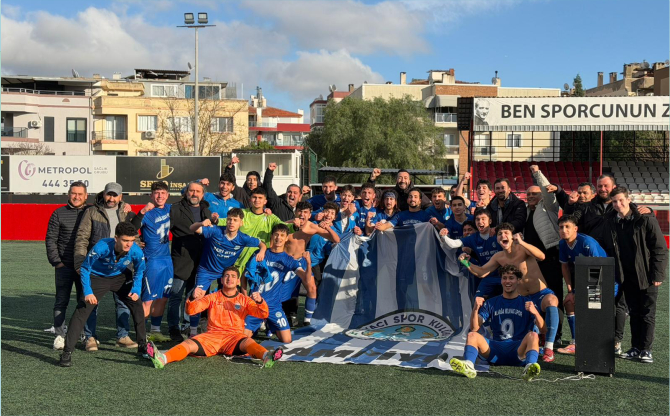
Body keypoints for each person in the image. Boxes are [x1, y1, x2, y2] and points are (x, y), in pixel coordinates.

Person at [146, 266, 283, 369]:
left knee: (248, 342)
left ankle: (267, 356)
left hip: (234, 337)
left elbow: (263, 314)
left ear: (238, 281)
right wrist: (192, 298)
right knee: (188, 344)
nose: (229, 279)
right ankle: (162, 359)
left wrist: (260, 302)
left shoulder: (244, 300)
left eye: (233, 276)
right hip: (212, 337)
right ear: (222, 280)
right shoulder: (212, 297)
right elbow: (191, 310)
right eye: (227, 276)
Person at [460, 223, 561, 363]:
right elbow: (482, 272)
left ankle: (549, 347)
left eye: (506, 233)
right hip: (523, 298)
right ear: (497, 239)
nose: (503, 236)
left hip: (540, 293)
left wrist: (522, 242)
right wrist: (466, 263)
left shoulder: (523, 248)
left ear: (512, 236)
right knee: (531, 331)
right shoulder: (499, 257)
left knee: (552, 300)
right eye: (500, 234)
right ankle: (528, 350)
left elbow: (542, 256)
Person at [594, 187, 667, 364]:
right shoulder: (610, 221)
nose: (618, 204)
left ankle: (646, 350)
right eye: (614, 201)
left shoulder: (645, 218)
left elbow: (660, 248)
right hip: (626, 276)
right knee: (634, 312)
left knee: (647, 313)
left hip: (647, 275)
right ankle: (635, 348)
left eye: (621, 200)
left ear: (628, 199)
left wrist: (658, 274)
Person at [59, 222, 147, 367]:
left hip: (120, 277)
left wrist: (136, 289)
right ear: (116, 238)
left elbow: (139, 270)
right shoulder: (102, 247)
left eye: (132, 240)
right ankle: (67, 352)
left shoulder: (136, 251)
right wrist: (88, 291)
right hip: (97, 277)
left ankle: (143, 346)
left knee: (137, 307)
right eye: (125, 240)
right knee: (82, 310)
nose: (129, 244)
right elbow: (85, 268)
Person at [449, 265, 543, 381]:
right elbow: (474, 328)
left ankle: (530, 367)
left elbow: (543, 330)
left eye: (511, 278)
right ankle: (469, 365)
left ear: (518, 280)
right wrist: (475, 309)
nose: (507, 281)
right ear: (501, 280)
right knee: (472, 335)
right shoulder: (491, 303)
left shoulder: (527, 303)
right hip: (496, 349)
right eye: (504, 278)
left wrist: (535, 313)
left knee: (533, 335)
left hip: (518, 350)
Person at [73, 182, 136, 351]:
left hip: (121, 266)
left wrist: (134, 258)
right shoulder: (92, 212)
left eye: (115, 195)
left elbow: (133, 236)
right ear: (104, 194)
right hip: (97, 266)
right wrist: (80, 262)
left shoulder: (126, 212)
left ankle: (123, 336)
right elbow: (82, 238)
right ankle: (90, 337)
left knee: (123, 302)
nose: (111, 198)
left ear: (120, 197)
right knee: (92, 302)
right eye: (109, 194)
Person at [190, 208, 267, 336]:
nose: (231, 222)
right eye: (229, 219)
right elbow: (193, 228)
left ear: (241, 223)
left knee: (230, 299)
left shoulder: (243, 238)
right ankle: (192, 331)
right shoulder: (216, 231)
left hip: (225, 273)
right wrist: (201, 223)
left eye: (235, 220)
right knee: (197, 297)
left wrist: (262, 251)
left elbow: (261, 244)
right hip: (206, 270)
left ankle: (229, 327)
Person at [244, 224, 313, 341]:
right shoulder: (260, 253)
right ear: (272, 236)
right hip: (255, 304)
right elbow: (245, 275)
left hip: (274, 305)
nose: (278, 238)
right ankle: (257, 326)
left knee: (287, 339)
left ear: (286, 238)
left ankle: (269, 324)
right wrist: (245, 295)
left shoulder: (289, 260)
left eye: (282, 235)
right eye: (276, 234)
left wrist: (309, 263)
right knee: (242, 337)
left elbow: (306, 279)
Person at [555, 215, 610, 355]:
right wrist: (570, 291)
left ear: (575, 229)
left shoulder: (587, 243)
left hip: (605, 279)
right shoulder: (563, 244)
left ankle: (596, 343)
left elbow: (597, 269)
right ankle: (576, 342)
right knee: (569, 302)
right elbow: (565, 267)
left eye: (567, 227)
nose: (564, 230)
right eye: (561, 227)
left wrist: (580, 292)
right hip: (586, 280)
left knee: (591, 307)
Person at [45, 181, 90, 350]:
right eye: (73, 193)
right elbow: (51, 239)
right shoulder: (58, 213)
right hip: (64, 266)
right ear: (69, 194)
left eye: (80, 194)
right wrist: (57, 262)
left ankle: (84, 334)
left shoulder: (91, 211)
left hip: (84, 267)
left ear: (86, 196)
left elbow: (111, 204)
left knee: (85, 301)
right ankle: (59, 335)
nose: (76, 197)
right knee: (61, 301)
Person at [167, 181, 212, 341]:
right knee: (176, 296)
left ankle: (188, 326)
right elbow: (166, 229)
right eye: (191, 191)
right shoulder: (175, 208)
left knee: (193, 296)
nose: (194, 194)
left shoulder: (205, 209)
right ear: (186, 192)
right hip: (181, 260)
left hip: (200, 262)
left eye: (197, 191)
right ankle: (173, 328)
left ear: (202, 194)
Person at [524, 165, 564, 345]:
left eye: (534, 193)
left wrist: (537, 174)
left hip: (551, 256)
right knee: (536, 295)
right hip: (533, 261)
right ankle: (539, 332)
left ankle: (556, 335)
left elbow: (548, 192)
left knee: (554, 295)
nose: (531, 196)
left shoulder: (548, 206)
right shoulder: (526, 211)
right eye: (528, 194)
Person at [130, 181, 173, 342]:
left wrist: (198, 182)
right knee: (148, 299)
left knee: (163, 297)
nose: (160, 196)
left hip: (166, 259)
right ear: (151, 195)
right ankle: (141, 335)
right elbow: (131, 228)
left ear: (167, 195)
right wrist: (141, 212)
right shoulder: (147, 212)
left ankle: (155, 330)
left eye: (163, 193)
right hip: (152, 259)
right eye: (156, 193)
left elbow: (188, 196)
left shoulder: (170, 209)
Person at [440, 208, 501, 299]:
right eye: (477, 219)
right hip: (485, 277)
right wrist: (443, 236)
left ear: (490, 221)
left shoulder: (498, 234)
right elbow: (453, 244)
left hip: (503, 277)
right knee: (478, 301)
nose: (480, 222)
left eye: (483, 219)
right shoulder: (472, 238)